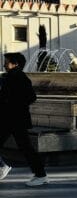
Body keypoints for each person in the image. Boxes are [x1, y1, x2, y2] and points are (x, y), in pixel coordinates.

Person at [0, 53, 48, 186]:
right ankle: (40, 174)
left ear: (15, 64)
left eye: (7, 62)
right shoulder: (9, 77)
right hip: (10, 119)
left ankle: (41, 175)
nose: (4, 64)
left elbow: (31, 97)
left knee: (26, 148)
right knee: (26, 148)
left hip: (14, 119)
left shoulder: (19, 77)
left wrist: (13, 104)